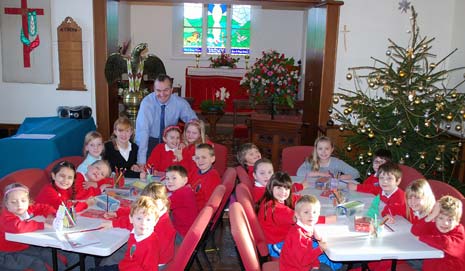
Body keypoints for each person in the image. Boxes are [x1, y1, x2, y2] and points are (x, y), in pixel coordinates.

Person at [101, 182, 175, 268]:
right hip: (152, 255)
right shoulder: (159, 211)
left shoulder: (158, 223)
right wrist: (117, 213)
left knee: (112, 257)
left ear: (164, 202)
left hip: (154, 263)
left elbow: (135, 225)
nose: (149, 205)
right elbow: (139, 211)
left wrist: (114, 223)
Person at [257, 172, 329, 258]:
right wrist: (333, 219)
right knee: (320, 250)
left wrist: (308, 203)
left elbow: (296, 199)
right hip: (277, 246)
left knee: (316, 242)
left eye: (286, 188)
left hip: (285, 238)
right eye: (279, 188)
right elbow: (305, 219)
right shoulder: (274, 208)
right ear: (271, 187)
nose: (283, 192)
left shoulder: (274, 198)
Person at [135, 74, 197, 165]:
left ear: (172, 90)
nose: (162, 94)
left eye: (166, 90)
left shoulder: (179, 103)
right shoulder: (147, 103)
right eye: (158, 90)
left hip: (172, 141)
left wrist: (185, 141)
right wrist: (141, 162)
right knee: (149, 170)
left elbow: (194, 122)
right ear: (154, 90)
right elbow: (143, 132)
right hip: (150, 140)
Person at [0, 183, 61, 271]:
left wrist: (50, 215)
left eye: (23, 201)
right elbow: (17, 227)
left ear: (28, 201)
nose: (19, 205)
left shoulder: (27, 209)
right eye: (13, 202)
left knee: (49, 255)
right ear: (7, 204)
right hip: (6, 253)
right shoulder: (5, 217)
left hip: (23, 247)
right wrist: (42, 225)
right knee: (37, 263)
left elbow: (43, 207)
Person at [96, 196, 162, 271]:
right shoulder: (136, 229)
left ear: (155, 221)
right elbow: (125, 222)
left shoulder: (151, 245)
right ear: (131, 219)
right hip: (124, 266)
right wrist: (113, 223)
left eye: (148, 219)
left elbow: (151, 269)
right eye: (139, 218)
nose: (143, 223)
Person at [280, 195, 342, 271]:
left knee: (328, 267)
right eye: (306, 212)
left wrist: (315, 265)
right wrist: (320, 249)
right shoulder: (297, 235)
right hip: (295, 268)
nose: (311, 215)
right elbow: (303, 260)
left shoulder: (307, 228)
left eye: (314, 212)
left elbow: (308, 251)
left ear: (319, 213)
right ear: (297, 215)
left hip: (305, 265)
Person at [411, 195, 465, 270]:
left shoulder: (459, 231)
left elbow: (446, 243)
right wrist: (431, 216)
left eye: (450, 220)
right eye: (441, 218)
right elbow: (415, 231)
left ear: (457, 221)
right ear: (435, 218)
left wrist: (422, 238)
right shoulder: (434, 225)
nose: (445, 223)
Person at [165, 165, 198, 241]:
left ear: (185, 180)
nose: (170, 181)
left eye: (174, 178)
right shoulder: (186, 190)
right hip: (186, 229)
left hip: (182, 235)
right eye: (167, 178)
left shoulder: (181, 194)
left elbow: (159, 206)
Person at [189, 143, 221, 209]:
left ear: (212, 159)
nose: (200, 160)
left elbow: (208, 203)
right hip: (190, 201)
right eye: (197, 158)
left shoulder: (212, 177)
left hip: (196, 210)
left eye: (204, 157)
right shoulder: (195, 171)